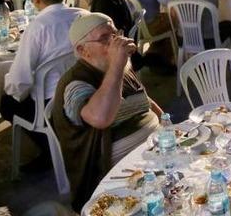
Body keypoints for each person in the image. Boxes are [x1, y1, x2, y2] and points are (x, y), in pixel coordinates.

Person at [50, 13, 162, 208]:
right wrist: (117, 64)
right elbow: (101, 118)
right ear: (83, 50)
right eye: (104, 38)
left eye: (115, 33)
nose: (115, 41)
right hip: (116, 179)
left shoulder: (116, 68)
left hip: (156, 155)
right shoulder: (75, 83)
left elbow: (144, 99)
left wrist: (168, 124)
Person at [1, 0, 86, 127]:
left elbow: (19, 81)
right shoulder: (83, 16)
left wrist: (9, 89)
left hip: (50, 104)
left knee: (6, 103)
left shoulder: (38, 27)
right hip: (85, 89)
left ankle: (49, 143)